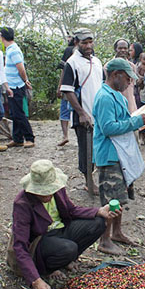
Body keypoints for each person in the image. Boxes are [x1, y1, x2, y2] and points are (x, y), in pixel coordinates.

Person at [9, 159, 120, 289]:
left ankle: (65, 260)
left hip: (61, 229)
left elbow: (71, 210)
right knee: (68, 249)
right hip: (41, 240)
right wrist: (35, 280)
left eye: (50, 191)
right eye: (43, 193)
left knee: (98, 223)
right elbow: (20, 245)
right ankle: (49, 268)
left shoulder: (58, 190)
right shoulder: (23, 203)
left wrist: (98, 211)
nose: (48, 195)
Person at [93, 58, 145, 255]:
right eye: (127, 78)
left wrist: (137, 120)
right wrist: (135, 122)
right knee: (111, 199)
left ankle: (117, 232)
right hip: (109, 154)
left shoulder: (117, 96)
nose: (130, 83)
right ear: (115, 75)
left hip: (121, 155)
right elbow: (108, 128)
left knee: (120, 195)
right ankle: (104, 240)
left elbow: (123, 120)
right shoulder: (104, 97)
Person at [60, 28, 103, 194]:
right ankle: (89, 182)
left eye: (90, 41)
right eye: (84, 42)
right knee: (86, 150)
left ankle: (95, 179)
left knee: (97, 148)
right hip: (83, 116)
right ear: (77, 42)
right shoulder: (72, 63)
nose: (88, 45)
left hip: (98, 113)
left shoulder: (97, 61)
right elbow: (67, 90)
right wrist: (81, 113)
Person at [0, 27, 35, 149]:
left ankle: (29, 137)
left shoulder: (13, 50)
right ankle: (17, 138)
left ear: (3, 37)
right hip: (12, 85)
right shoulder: (10, 49)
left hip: (16, 86)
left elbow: (21, 68)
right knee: (14, 113)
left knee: (19, 113)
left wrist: (25, 81)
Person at [56, 34, 77, 147]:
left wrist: (60, 86)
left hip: (70, 84)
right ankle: (66, 136)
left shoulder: (69, 50)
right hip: (73, 85)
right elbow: (64, 69)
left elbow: (63, 71)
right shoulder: (71, 51)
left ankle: (65, 136)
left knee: (65, 110)